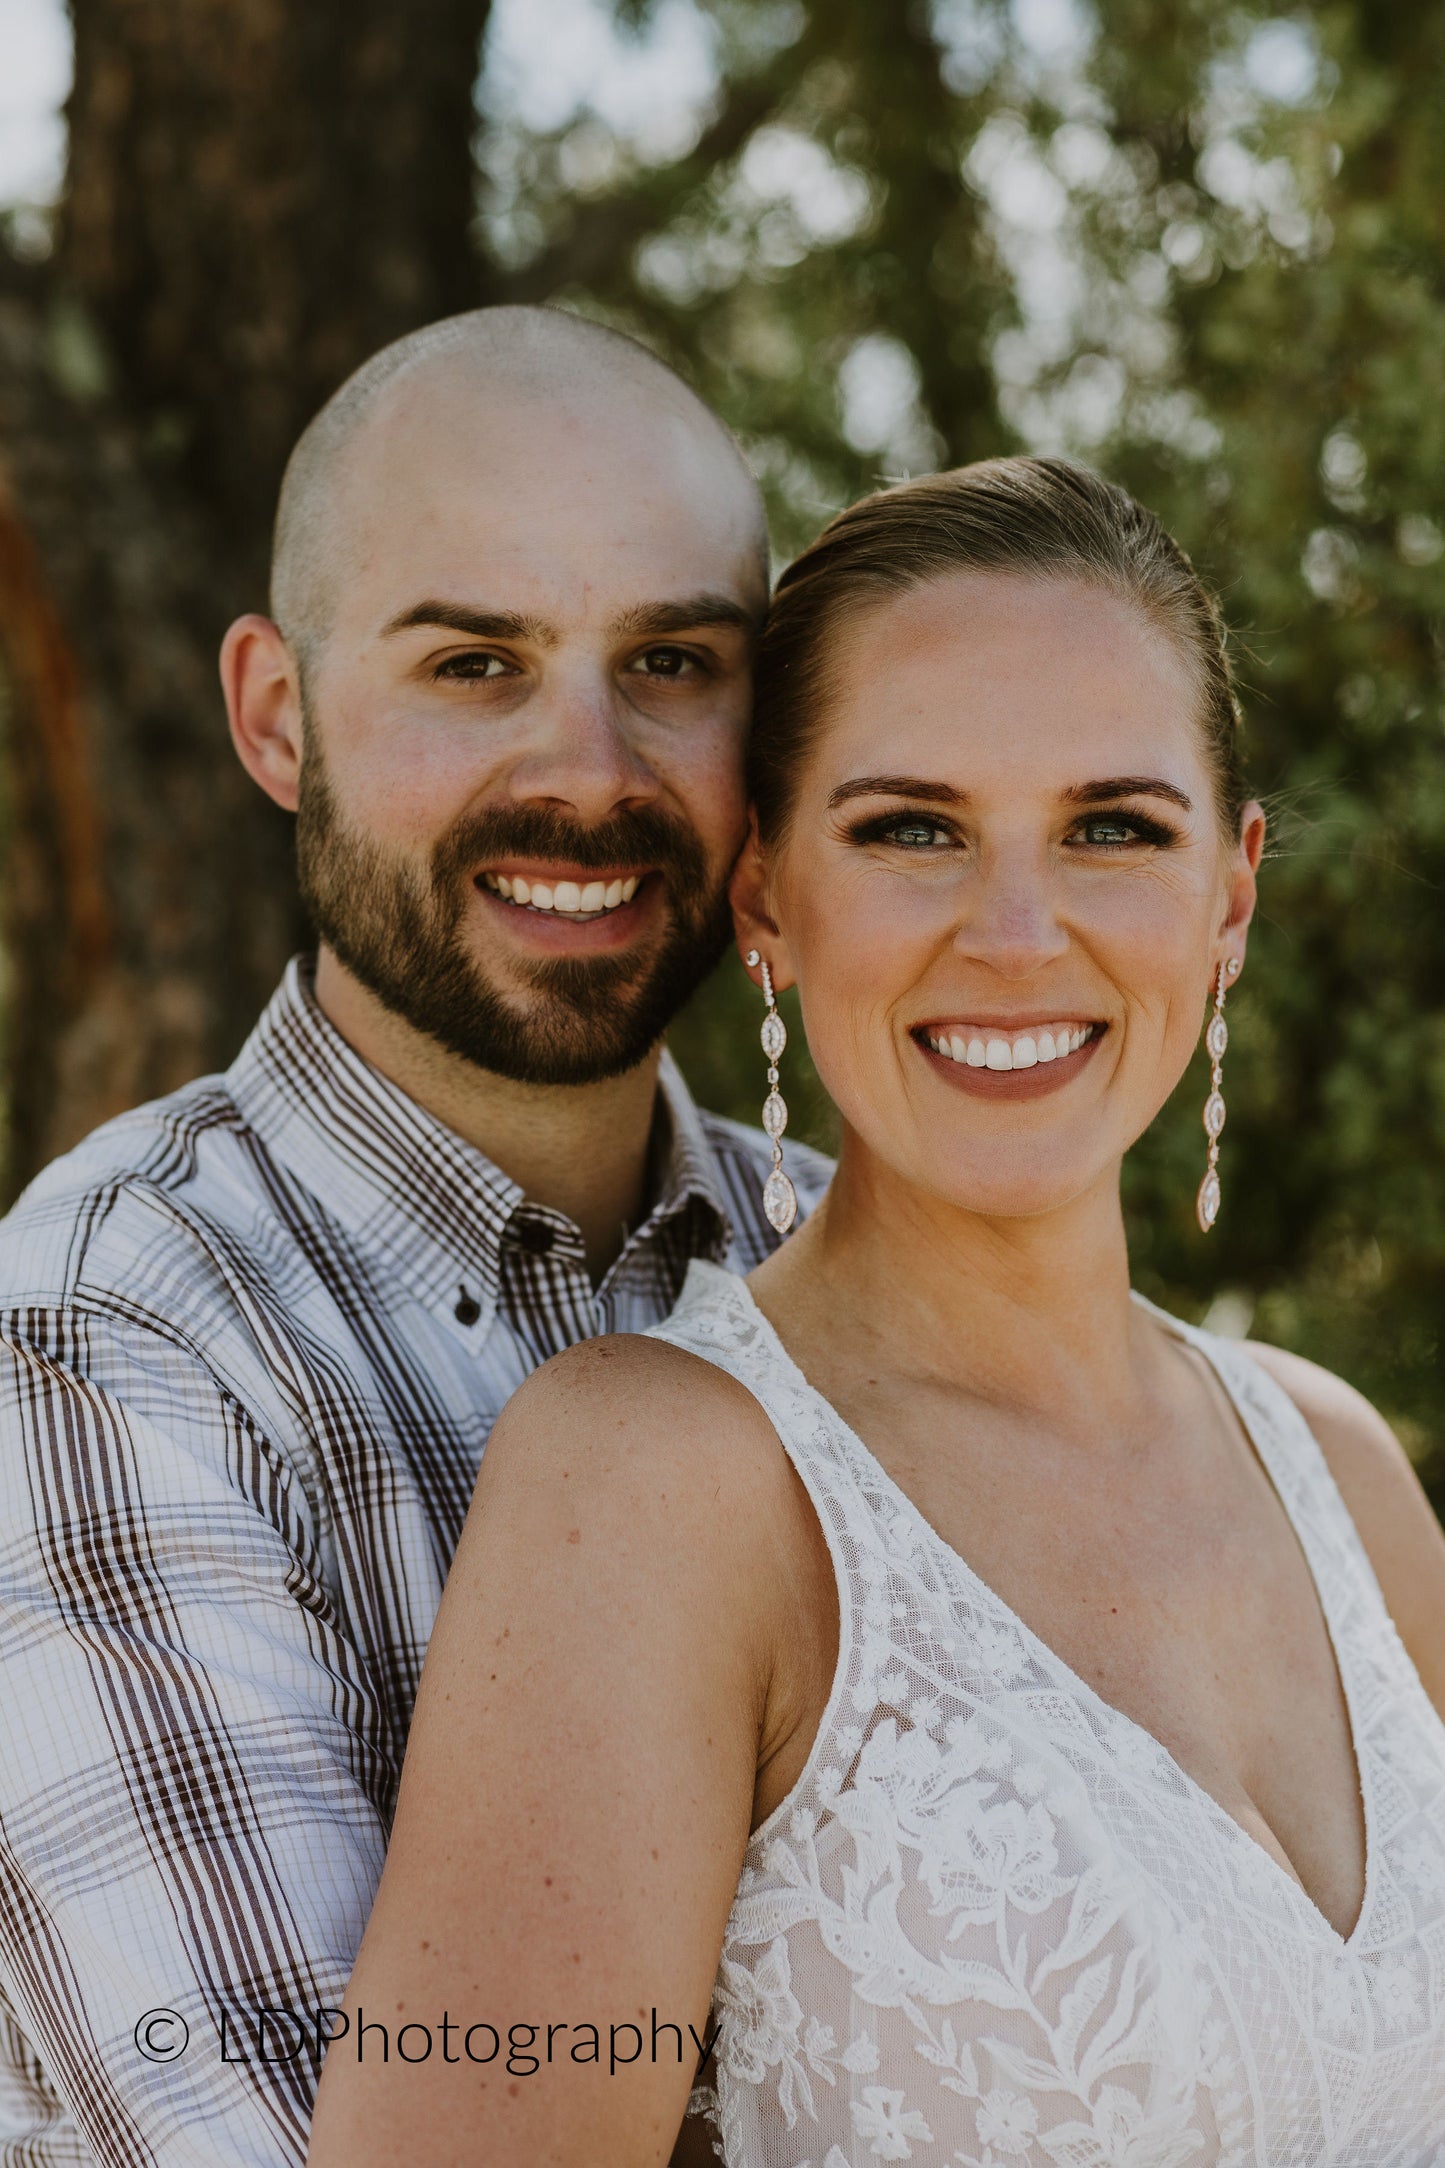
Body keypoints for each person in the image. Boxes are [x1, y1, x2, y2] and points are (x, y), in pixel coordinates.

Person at [306, 458, 1445, 2168]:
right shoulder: (657, 1488)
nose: (1012, 933)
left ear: (1229, 893)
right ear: (764, 892)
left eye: (1112, 829)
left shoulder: (1339, 1468)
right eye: (910, 828)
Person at [0, 306, 829, 2166]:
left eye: (673, 661)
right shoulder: (100, 1342)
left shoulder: (853, 1266)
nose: (590, 773)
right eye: (475, 662)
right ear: (277, 717)